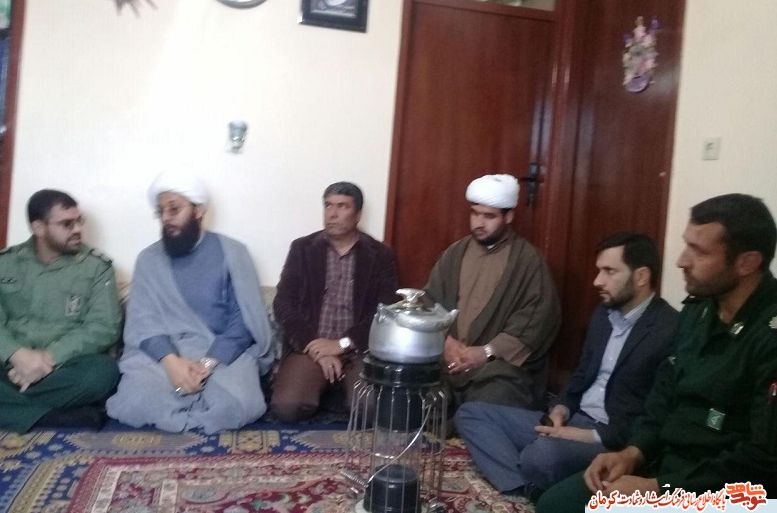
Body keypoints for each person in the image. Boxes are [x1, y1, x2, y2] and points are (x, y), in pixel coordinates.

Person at [537, 194, 777, 512]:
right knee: (557, 503)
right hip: (666, 462)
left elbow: (763, 460)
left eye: (699, 251)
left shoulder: (768, 334)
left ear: (747, 262)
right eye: (686, 245)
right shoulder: (698, 311)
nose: (681, 261)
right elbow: (662, 398)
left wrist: (659, 490)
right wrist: (632, 452)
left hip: (728, 490)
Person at [455, 232, 677, 498]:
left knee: (540, 455)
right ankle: (523, 487)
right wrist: (561, 409)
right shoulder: (603, 315)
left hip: (610, 440)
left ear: (641, 276)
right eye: (599, 270)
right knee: (471, 414)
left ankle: (526, 474)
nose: (597, 281)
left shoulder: (669, 329)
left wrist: (583, 436)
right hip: (574, 419)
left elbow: (653, 415)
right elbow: (582, 375)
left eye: (609, 271)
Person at [106, 171, 273, 434]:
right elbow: (142, 320)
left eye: (174, 209)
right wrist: (171, 363)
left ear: (198, 210)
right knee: (134, 401)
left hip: (220, 353)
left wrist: (206, 365)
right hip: (162, 355)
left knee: (242, 403)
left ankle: (179, 419)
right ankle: (195, 419)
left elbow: (244, 319)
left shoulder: (233, 252)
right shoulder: (148, 259)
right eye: (161, 211)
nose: (166, 218)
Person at [0, 189, 121, 432]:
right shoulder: (2, 265)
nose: (77, 229)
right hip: (7, 366)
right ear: (39, 228)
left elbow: (103, 327)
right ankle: (54, 416)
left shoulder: (96, 267)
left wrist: (47, 358)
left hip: (63, 366)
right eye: (67, 224)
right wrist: (17, 355)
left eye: (79, 221)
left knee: (103, 374)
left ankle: (5, 407)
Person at [424, 174, 561, 411]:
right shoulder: (454, 253)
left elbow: (536, 321)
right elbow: (430, 302)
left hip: (496, 371)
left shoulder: (528, 261)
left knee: (493, 399)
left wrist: (487, 352)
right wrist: (445, 342)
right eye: (475, 213)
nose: (479, 223)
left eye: (489, 216)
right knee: (412, 391)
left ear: (508, 217)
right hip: (448, 363)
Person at [270, 182, 398, 422]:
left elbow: (385, 311)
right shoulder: (302, 249)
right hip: (310, 347)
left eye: (342, 206)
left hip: (357, 349)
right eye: (328, 205)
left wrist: (342, 344)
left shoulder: (380, 255)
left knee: (370, 408)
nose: (332, 214)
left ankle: (339, 392)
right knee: (287, 406)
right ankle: (325, 389)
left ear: (358, 214)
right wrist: (315, 346)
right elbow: (283, 303)